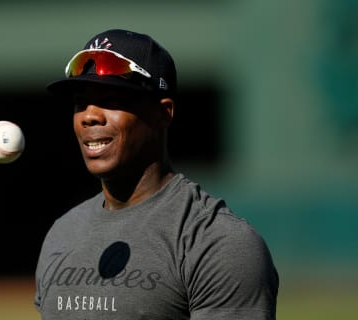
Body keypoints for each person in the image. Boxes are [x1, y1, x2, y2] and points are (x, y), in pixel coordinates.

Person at [34, 28, 279, 320]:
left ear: (164, 112)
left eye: (112, 99)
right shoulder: (62, 234)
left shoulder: (218, 242)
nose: (89, 115)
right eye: (81, 102)